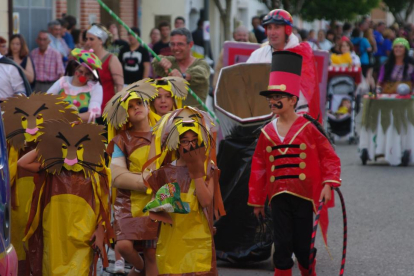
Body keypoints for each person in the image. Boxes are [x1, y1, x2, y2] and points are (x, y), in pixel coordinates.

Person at [248, 51, 341, 276]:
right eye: (270, 97)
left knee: (303, 248)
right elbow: (259, 166)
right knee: (281, 248)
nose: (273, 101)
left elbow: (329, 156)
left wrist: (328, 184)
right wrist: (258, 201)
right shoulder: (266, 132)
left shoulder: (308, 128)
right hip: (278, 197)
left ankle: (308, 270)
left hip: (304, 197)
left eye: (278, 96)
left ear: (292, 100)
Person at [18, 120, 113, 276]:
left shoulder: (95, 171)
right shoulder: (49, 167)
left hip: (83, 237)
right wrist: (49, 141)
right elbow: (23, 163)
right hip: (55, 236)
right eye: (64, 145)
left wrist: (101, 229)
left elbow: (103, 203)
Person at [1, 93, 80, 276]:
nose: (31, 124)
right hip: (15, 207)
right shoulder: (10, 146)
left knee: (39, 247)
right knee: (17, 247)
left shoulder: (57, 150)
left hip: (44, 207)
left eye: (39, 117)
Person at [147, 106, 225, 276]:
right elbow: (154, 211)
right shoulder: (164, 172)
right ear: (176, 143)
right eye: (184, 141)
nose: (190, 146)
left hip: (198, 242)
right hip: (171, 243)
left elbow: (205, 201)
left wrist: (197, 172)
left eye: (194, 140)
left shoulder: (208, 170)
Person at [104, 80, 160, 276]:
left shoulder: (163, 133)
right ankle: (140, 267)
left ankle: (142, 268)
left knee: (151, 253)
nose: (136, 108)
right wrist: (144, 181)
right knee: (124, 246)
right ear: (124, 114)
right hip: (127, 202)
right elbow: (117, 176)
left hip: (154, 201)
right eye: (130, 107)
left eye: (139, 104)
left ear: (147, 105)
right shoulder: (121, 140)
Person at [247, 9, 321, 122]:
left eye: (277, 27)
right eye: (269, 28)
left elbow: (306, 96)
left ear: (287, 30)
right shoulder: (258, 55)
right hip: (261, 120)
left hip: (294, 120)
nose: (272, 32)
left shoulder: (301, 54)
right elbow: (246, 85)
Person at [152, 28, 210, 109]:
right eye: (172, 44)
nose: (175, 48)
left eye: (180, 44)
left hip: (196, 118)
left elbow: (200, 73)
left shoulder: (202, 63)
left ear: (190, 45)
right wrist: (161, 61)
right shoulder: (171, 62)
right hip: (173, 118)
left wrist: (182, 76)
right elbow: (155, 61)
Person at [47, 48, 103, 122]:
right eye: (80, 71)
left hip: (84, 130)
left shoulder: (95, 87)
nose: (82, 76)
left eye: (87, 74)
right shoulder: (63, 81)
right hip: (61, 128)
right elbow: (46, 99)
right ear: (75, 69)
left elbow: (92, 115)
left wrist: (71, 116)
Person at [85, 24, 124, 120]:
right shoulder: (86, 59)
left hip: (106, 108)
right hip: (87, 108)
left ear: (101, 41)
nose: (87, 42)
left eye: (91, 39)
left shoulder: (111, 59)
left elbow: (119, 86)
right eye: (86, 39)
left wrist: (118, 107)